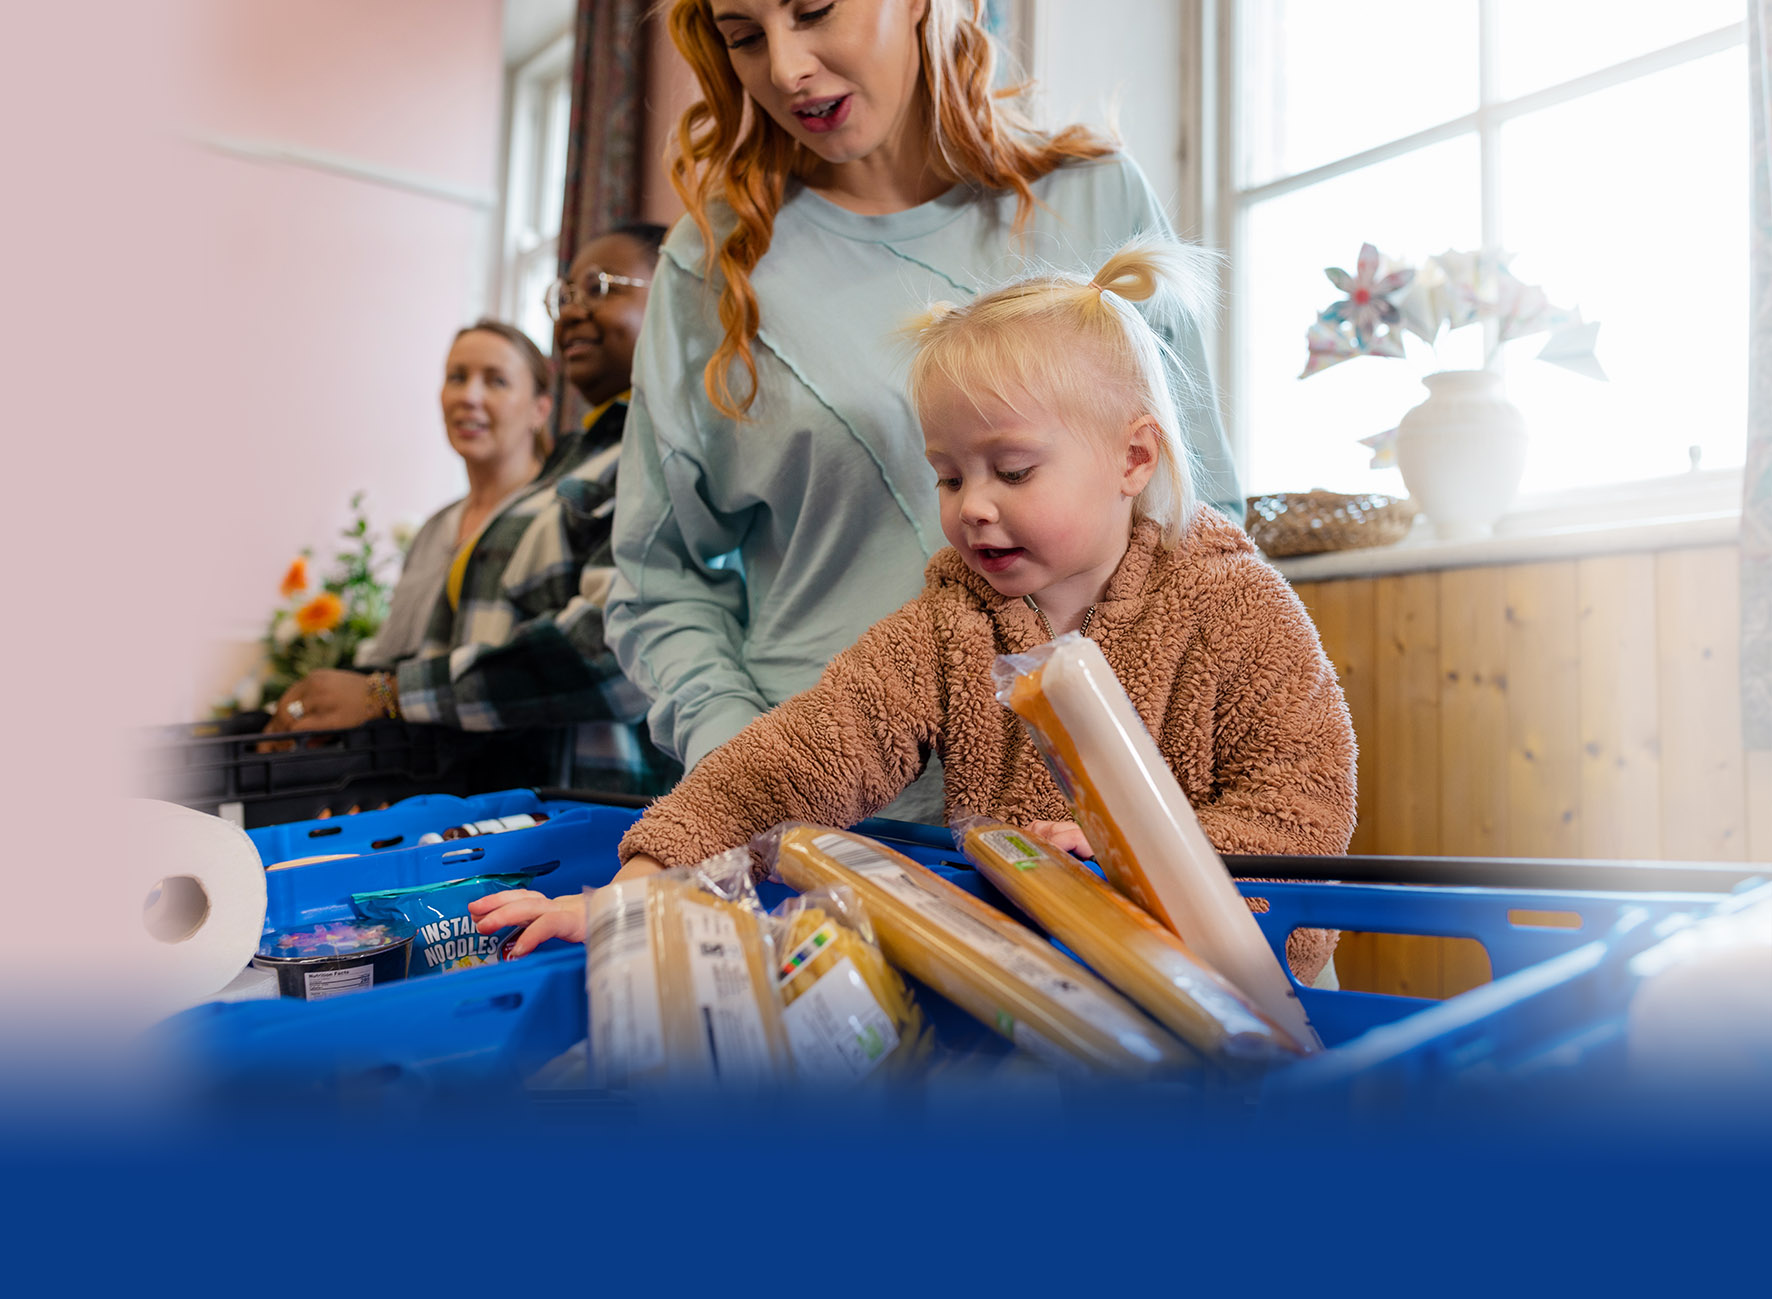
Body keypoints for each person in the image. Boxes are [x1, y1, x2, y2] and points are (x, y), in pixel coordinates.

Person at [475, 241, 1354, 982]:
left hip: (1228, 1005)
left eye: (1011, 472)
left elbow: (1303, 809)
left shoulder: (1235, 607)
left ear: (1132, 456)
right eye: (948, 474)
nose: (973, 505)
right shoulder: (951, 626)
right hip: (1034, 997)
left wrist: (1129, 869)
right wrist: (636, 887)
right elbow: (802, 753)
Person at [603, 0, 1242, 824]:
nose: (787, 68)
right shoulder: (713, 267)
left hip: (1100, 810)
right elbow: (659, 582)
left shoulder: (1095, 201)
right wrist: (751, 765)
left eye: (815, 10)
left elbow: (1201, 508)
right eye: (745, 37)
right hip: (832, 822)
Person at [267, 224, 680, 796]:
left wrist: (385, 694)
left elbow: (614, 660)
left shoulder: (666, 450)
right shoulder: (575, 465)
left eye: (602, 287)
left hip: (589, 814)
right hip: (502, 807)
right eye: (565, 295)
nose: (574, 311)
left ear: (679, 296)